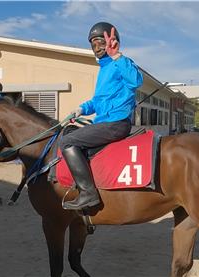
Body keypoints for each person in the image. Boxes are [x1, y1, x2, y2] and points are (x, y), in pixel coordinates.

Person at [59, 22, 143, 210]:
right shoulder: (103, 69)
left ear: (112, 43)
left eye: (101, 43)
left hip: (115, 124)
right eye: (93, 45)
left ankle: (88, 194)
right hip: (104, 122)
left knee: (67, 143)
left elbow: (136, 81)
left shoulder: (120, 63)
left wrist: (117, 56)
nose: (97, 48)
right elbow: (98, 101)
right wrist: (81, 109)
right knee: (68, 133)